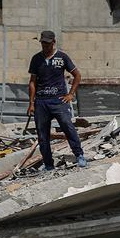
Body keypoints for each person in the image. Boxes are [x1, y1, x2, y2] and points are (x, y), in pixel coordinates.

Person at [28, 30, 86, 171]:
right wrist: (31, 103)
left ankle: (79, 155)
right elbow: (32, 82)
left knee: (67, 126)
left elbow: (77, 75)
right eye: (43, 43)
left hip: (59, 100)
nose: (45, 46)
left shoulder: (62, 57)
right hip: (41, 102)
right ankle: (48, 165)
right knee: (42, 135)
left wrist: (70, 94)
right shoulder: (36, 59)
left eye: (48, 43)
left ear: (53, 42)